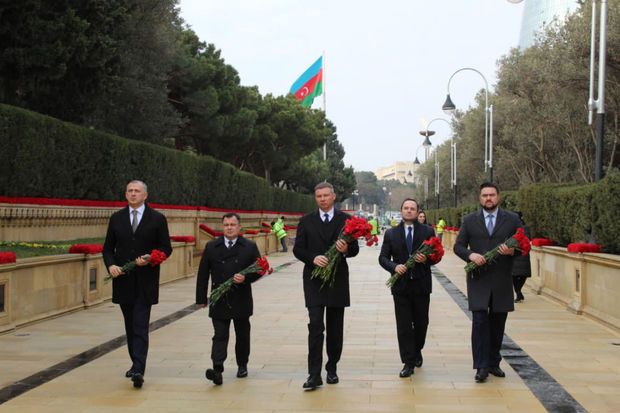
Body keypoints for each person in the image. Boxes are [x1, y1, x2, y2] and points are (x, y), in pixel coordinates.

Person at [103, 180, 172, 389]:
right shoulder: (116, 219)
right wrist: (111, 265)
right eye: (130, 191)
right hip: (123, 280)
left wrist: (151, 258)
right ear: (125, 195)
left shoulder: (157, 219)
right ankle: (135, 362)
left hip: (145, 281)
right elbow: (107, 249)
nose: (133, 194)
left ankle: (139, 369)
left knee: (140, 324)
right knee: (130, 325)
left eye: (137, 191)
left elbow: (165, 248)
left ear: (145, 195)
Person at [293, 182, 360, 390]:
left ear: (333, 197)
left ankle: (332, 368)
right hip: (313, 280)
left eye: (325, 195)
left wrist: (345, 248)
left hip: (337, 280)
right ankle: (314, 374)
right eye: (318, 196)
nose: (322, 199)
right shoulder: (306, 221)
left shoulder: (346, 220)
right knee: (315, 326)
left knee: (334, 327)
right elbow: (298, 249)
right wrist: (313, 258)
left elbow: (355, 249)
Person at [454, 182, 521, 383]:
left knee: (498, 323)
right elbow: (458, 246)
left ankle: (494, 362)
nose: (488, 198)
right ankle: (481, 366)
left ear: (498, 197)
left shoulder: (512, 219)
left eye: (492, 195)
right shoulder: (469, 220)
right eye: (485, 195)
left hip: (501, 279)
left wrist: (513, 251)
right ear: (480, 198)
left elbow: (524, 245)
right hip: (478, 280)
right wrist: (470, 255)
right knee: (480, 323)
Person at [196, 213, 262, 385]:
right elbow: (203, 274)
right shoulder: (212, 246)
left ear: (239, 227)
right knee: (219, 335)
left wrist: (246, 278)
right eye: (226, 225)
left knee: (242, 335)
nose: (229, 227)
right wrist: (201, 298)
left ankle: (242, 365)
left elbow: (259, 270)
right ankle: (217, 368)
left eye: (233, 224)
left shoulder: (249, 246)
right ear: (222, 227)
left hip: (241, 298)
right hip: (219, 298)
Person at [379, 199, 439, 378]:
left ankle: (416, 349)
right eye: (406, 208)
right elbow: (383, 258)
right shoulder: (391, 234)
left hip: (421, 285)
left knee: (422, 323)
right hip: (401, 286)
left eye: (413, 208)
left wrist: (426, 260)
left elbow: (436, 256)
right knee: (404, 325)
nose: (409, 211)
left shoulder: (427, 231)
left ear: (417, 211)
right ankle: (408, 361)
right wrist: (394, 267)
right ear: (401, 211)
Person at [512, 212, 531, 302]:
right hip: (524, 253)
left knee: (514, 276)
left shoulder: (512, 227)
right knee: (523, 275)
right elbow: (529, 239)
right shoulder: (526, 227)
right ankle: (519, 293)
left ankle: (518, 293)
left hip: (516, 253)